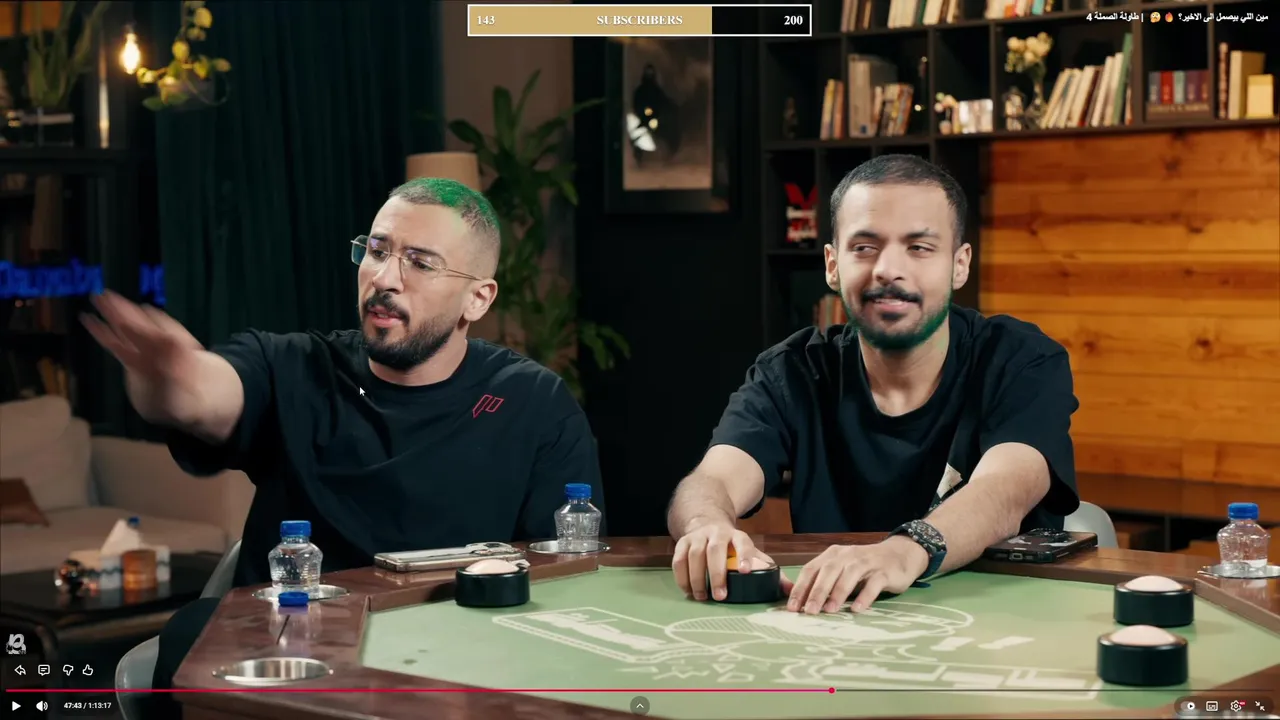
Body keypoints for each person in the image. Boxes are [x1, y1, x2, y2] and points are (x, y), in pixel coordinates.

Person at [82, 178, 604, 712]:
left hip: (453, 670)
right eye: (376, 251)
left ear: (478, 297)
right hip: (288, 660)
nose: (384, 278)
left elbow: (565, 581)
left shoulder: (533, 403)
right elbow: (207, 392)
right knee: (195, 631)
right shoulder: (298, 366)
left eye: (420, 263)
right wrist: (172, 381)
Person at [667, 154, 1079, 616]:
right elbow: (713, 479)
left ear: (959, 264)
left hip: (998, 625)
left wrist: (903, 552)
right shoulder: (792, 372)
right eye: (864, 247)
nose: (888, 269)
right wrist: (706, 526)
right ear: (832, 264)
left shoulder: (1021, 360)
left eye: (919, 247)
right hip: (834, 626)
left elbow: (1008, 487)